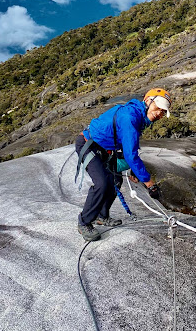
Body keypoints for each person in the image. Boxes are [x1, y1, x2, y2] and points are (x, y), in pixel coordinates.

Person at [74, 88, 172, 241]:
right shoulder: (130, 117)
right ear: (148, 101)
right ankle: (84, 222)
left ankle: (102, 216)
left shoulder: (139, 115)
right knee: (102, 183)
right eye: (158, 107)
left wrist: (134, 170)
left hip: (106, 148)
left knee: (116, 181)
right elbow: (131, 154)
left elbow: (129, 143)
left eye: (163, 111)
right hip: (89, 144)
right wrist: (149, 183)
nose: (159, 113)